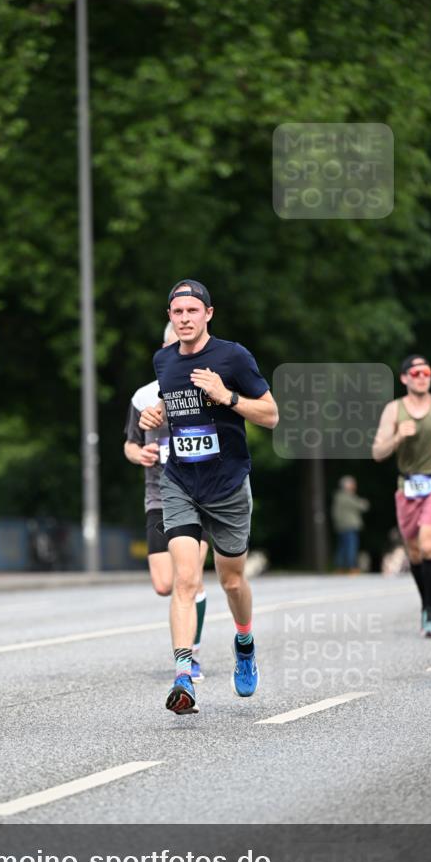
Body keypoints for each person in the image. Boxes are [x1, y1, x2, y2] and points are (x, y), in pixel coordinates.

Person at [140, 279, 278, 714]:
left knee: (231, 580)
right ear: (170, 317)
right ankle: (183, 676)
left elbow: (271, 416)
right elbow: (174, 406)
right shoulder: (164, 359)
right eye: (177, 312)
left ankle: (244, 641)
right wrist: (157, 412)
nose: (184, 319)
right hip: (180, 482)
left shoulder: (233, 356)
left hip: (228, 485)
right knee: (185, 580)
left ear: (208, 314)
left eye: (192, 312)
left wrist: (227, 396)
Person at [124, 323, 210, 680]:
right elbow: (128, 444)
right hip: (159, 496)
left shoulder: (206, 388)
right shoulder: (143, 396)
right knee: (164, 583)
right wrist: (139, 453)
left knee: (187, 578)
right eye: (175, 345)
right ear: (164, 349)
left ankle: (190, 655)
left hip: (200, 494)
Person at [372, 354, 431, 637]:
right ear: (404, 378)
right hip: (408, 487)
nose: (422, 377)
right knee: (413, 552)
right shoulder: (394, 410)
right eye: (416, 373)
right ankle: (426, 603)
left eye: (426, 372)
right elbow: (377, 452)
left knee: (427, 543)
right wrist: (398, 437)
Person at [331, 476, 369, 573]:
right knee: (351, 547)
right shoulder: (347, 496)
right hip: (350, 526)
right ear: (347, 486)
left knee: (342, 548)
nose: (354, 486)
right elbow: (362, 506)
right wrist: (364, 502)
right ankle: (352, 567)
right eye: (352, 484)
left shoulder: (338, 497)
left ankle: (340, 568)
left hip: (341, 526)